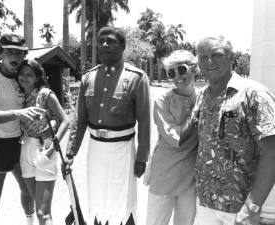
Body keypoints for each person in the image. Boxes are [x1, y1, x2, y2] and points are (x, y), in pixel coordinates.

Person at [182, 35, 275, 225]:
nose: (209, 61)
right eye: (203, 57)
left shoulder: (253, 94)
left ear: (231, 57)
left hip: (240, 209)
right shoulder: (203, 95)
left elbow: (272, 151)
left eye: (216, 55)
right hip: (206, 203)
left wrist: (253, 207)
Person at [65, 26, 151, 225]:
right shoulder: (88, 78)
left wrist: (141, 158)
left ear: (122, 46)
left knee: (123, 202)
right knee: (97, 199)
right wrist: (70, 153)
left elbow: (145, 122)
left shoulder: (137, 78)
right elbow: (79, 120)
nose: (104, 44)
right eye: (101, 41)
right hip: (96, 149)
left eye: (110, 41)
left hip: (123, 149)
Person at [0, 33, 45, 225]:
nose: (14, 57)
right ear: (0, 54)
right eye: (9, 52)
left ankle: (30, 221)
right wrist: (17, 114)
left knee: (29, 191)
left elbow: (42, 101)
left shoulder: (23, 78)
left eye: (19, 53)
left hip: (20, 143)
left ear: (25, 56)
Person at [145, 50, 198, 225]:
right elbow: (175, 138)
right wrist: (196, 112)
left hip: (190, 178)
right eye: (171, 72)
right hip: (164, 173)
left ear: (194, 69)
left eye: (181, 69)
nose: (177, 76)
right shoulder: (162, 100)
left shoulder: (204, 97)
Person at [17, 59, 70, 225]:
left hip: (44, 149)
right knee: (41, 209)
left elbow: (66, 121)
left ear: (37, 77)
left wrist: (53, 147)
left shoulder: (45, 94)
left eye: (29, 74)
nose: (24, 78)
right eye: (22, 74)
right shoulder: (17, 96)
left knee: (42, 212)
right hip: (25, 150)